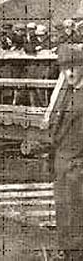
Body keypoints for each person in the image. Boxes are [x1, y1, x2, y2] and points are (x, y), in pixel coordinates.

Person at [52, 43, 83, 260]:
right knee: (63, 209)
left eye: (74, 67)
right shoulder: (68, 93)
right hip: (62, 162)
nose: (69, 72)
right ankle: (66, 251)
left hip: (77, 164)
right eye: (65, 68)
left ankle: (75, 253)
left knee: (77, 211)